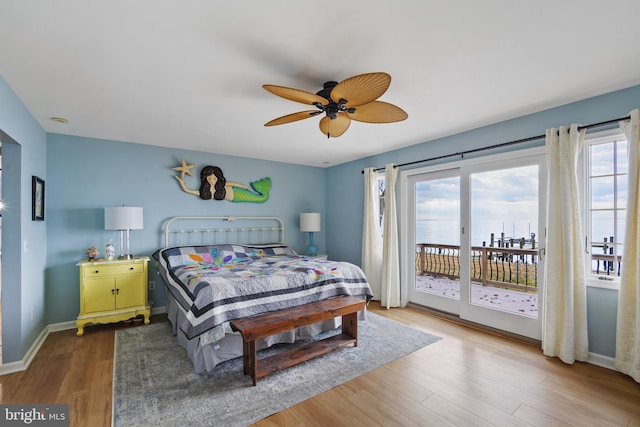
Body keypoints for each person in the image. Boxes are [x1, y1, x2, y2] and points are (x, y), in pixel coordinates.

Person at [175, 165, 271, 203]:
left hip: (236, 191)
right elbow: (189, 191)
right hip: (235, 198)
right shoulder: (205, 192)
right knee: (257, 199)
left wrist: (243, 186)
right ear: (205, 179)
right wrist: (183, 185)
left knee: (259, 198)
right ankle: (264, 193)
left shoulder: (222, 186)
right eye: (209, 178)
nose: (212, 180)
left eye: (214, 178)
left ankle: (264, 192)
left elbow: (230, 183)